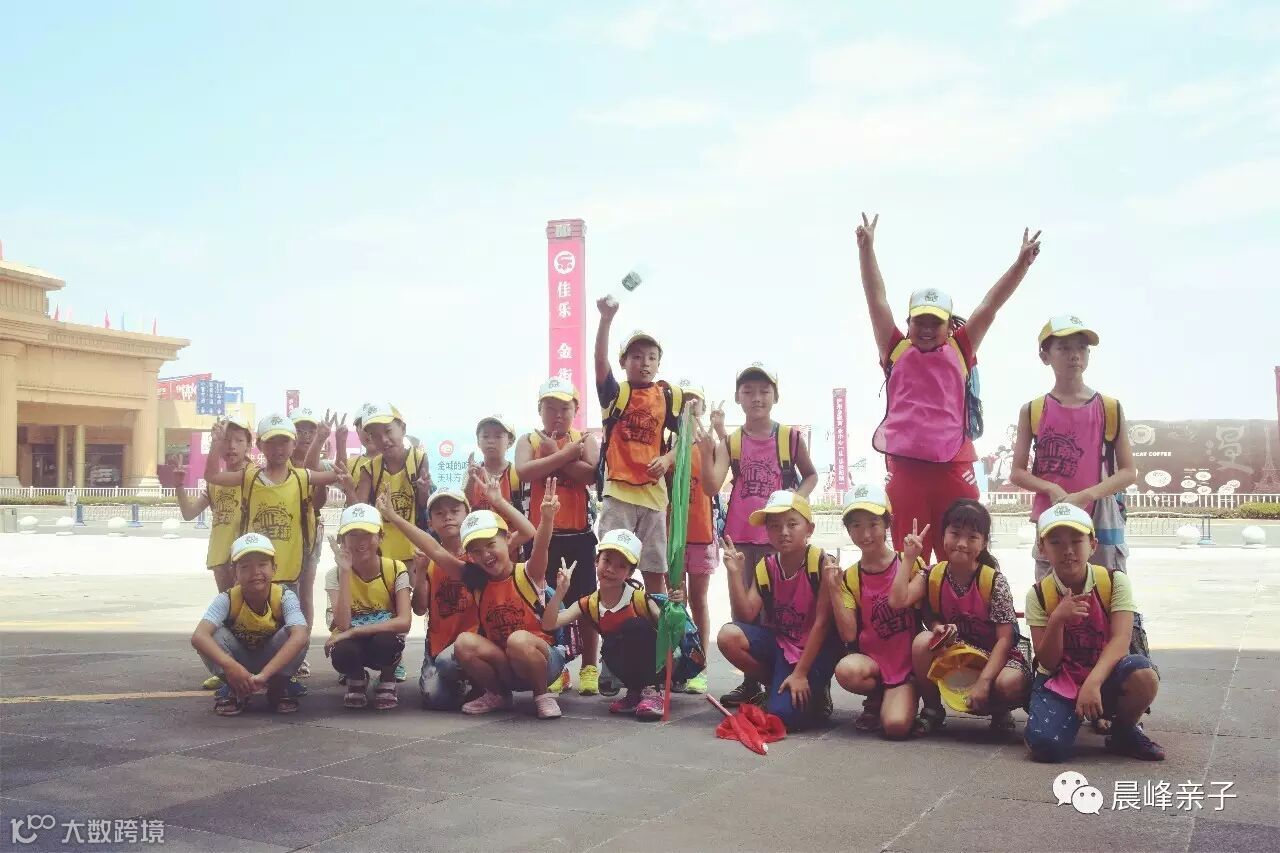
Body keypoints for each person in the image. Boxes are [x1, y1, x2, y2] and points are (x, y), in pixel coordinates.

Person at [857, 212, 1042, 562]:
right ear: (908, 323)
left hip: (954, 467)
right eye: (920, 321)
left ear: (948, 325)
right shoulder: (894, 348)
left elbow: (991, 304)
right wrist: (866, 250)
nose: (927, 329)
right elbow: (875, 298)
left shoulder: (961, 348)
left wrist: (1021, 264)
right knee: (909, 560)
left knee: (962, 556)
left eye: (936, 322)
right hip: (905, 470)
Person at [386, 481, 567, 719]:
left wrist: (547, 518)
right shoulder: (476, 579)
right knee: (464, 643)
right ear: (470, 555)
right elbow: (434, 550)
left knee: (518, 640)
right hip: (505, 662)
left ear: (507, 539)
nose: (486, 555)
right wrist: (394, 517)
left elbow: (540, 544)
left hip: (542, 661)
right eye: (476, 551)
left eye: (491, 545)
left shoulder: (529, 572)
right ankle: (497, 694)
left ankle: (542, 695)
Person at [704, 363, 817, 708]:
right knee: (743, 611)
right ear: (738, 397)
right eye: (749, 391)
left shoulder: (789, 438)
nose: (757, 398)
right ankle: (752, 682)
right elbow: (712, 485)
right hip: (740, 539)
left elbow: (811, 475)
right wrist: (705, 448)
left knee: (778, 611)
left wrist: (795, 502)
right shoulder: (731, 442)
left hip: (777, 539)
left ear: (775, 396)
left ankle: (786, 675)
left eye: (764, 391)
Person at [1023, 503, 1164, 762]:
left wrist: (1093, 682)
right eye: (1055, 542)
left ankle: (1124, 731)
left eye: (1077, 541)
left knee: (1143, 674)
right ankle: (1057, 712)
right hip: (1061, 679)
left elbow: (1121, 640)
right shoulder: (1039, 594)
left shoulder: (1113, 581)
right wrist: (1057, 620)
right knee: (1046, 747)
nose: (1068, 550)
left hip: (1106, 675)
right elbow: (1048, 663)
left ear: (1093, 545)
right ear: (1042, 548)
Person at [1009, 316, 1138, 580]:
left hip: (1101, 518)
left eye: (1081, 348)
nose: (1075, 355)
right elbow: (1017, 473)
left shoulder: (1109, 408)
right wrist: (1050, 488)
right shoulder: (1033, 410)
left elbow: (1128, 472)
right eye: (1064, 348)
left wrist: (1086, 495)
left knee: (1107, 589)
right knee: (1051, 593)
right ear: (1045, 356)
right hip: (1052, 516)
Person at [888, 499, 1031, 735]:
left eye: (972, 537)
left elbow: (1005, 640)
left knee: (1009, 683)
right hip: (958, 655)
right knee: (922, 642)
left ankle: (1000, 711)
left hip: (997, 658)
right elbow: (897, 601)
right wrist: (910, 558)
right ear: (943, 535)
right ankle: (933, 710)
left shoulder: (994, 581)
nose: (962, 544)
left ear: (984, 543)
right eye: (955, 534)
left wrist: (984, 682)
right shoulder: (932, 574)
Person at [716, 491, 840, 732]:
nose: (783, 532)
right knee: (728, 636)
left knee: (784, 718)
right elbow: (745, 616)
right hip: (783, 645)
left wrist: (801, 673)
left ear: (810, 529)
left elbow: (823, 622)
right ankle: (777, 685)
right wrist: (734, 574)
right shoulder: (767, 566)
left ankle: (814, 686)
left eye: (792, 524)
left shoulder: (821, 562)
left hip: (815, 650)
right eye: (774, 526)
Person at [515, 377, 604, 695]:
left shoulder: (585, 439)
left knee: (586, 603)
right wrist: (564, 455)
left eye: (565, 408)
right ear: (539, 409)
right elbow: (525, 471)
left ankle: (590, 667)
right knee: (544, 604)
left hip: (579, 536)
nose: (558, 414)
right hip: (542, 537)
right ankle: (556, 668)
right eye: (550, 407)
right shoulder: (528, 439)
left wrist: (555, 458)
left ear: (576, 410)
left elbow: (590, 475)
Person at [542, 529, 682, 721]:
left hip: (660, 663)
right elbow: (549, 624)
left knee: (634, 628)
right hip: (623, 663)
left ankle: (653, 691)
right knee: (609, 646)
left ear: (630, 573)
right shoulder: (590, 603)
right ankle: (634, 692)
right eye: (606, 561)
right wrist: (560, 592)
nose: (610, 569)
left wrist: (676, 606)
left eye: (621, 566)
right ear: (596, 561)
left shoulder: (639, 599)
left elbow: (671, 632)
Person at [593, 299, 683, 595]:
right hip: (619, 492)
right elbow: (599, 362)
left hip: (653, 496)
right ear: (623, 362)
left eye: (651, 357)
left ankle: (658, 621)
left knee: (654, 570)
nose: (644, 363)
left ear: (658, 363)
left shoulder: (667, 397)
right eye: (636, 356)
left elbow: (687, 438)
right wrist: (605, 320)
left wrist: (668, 459)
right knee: (610, 569)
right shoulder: (616, 393)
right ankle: (612, 620)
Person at [204, 415, 348, 597]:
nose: (278, 448)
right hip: (254, 575)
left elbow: (340, 474)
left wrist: (340, 441)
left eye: (284, 441)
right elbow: (212, 476)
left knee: (291, 613)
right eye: (271, 442)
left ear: (294, 444)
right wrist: (216, 443)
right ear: (259, 445)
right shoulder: (250, 477)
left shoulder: (301, 477)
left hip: (289, 574)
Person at [166, 414, 253, 690]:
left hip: (246, 558)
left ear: (249, 445)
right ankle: (228, 668)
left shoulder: (253, 476)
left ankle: (253, 668)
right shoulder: (214, 481)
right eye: (226, 440)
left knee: (249, 615)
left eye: (238, 441)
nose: (231, 446)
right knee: (228, 615)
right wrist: (179, 485)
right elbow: (189, 513)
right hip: (219, 555)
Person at [828, 483, 921, 739]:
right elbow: (848, 634)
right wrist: (834, 590)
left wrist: (911, 559)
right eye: (856, 525)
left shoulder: (909, 563)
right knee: (846, 670)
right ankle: (878, 695)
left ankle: (912, 691)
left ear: (887, 523)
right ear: (848, 529)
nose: (865, 534)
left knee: (895, 726)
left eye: (873, 524)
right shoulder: (850, 577)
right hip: (873, 663)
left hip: (907, 664)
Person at [190, 533, 310, 716]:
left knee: (295, 635)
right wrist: (231, 666)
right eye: (245, 566)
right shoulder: (227, 599)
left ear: (274, 568)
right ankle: (237, 690)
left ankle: (277, 690)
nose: (255, 572)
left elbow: (300, 635)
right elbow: (199, 636)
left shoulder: (284, 596)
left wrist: (265, 674)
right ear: (234, 572)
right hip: (239, 661)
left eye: (262, 564)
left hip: (272, 661)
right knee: (212, 635)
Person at [325, 503, 414, 710]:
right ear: (342, 540)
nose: (360, 541)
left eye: (367, 534)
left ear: (380, 537)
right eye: (353, 535)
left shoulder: (395, 568)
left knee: (387, 642)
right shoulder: (334, 574)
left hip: (382, 638)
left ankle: (388, 677)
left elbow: (404, 622)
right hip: (353, 641)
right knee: (342, 651)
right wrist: (345, 572)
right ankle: (356, 677)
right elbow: (343, 625)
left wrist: (354, 631)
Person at [671, 381, 719, 695]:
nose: (689, 405)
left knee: (699, 601)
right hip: (673, 536)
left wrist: (713, 432)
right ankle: (679, 663)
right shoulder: (668, 441)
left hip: (702, 534)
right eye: (684, 400)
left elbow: (720, 477)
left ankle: (699, 667)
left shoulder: (707, 442)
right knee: (677, 601)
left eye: (695, 400)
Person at [351, 403, 432, 563]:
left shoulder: (419, 459)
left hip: (415, 549)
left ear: (403, 428)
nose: (384, 440)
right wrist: (348, 487)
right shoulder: (368, 469)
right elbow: (360, 511)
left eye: (388, 431)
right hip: (382, 553)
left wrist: (424, 490)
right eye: (375, 435)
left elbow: (423, 504)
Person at [467, 416, 522, 515]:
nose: (491, 441)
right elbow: (465, 506)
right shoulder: (472, 474)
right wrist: (471, 480)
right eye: (485, 436)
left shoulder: (518, 473)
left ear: (510, 442)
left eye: (498, 436)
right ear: (478, 442)